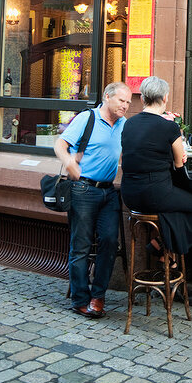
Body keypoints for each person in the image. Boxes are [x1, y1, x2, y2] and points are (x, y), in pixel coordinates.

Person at [54, 81, 130, 319]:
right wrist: (68, 163)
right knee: (81, 246)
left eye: (128, 102)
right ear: (107, 97)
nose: (125, 106)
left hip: (108, 192)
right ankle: (80, 299)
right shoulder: (87, 119)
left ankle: (98, 296)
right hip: (83, 189)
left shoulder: (124, 124)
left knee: (109, 241)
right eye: (121, 100)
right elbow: (60, 144)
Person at [121, 76, 192, 256]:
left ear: (143, 99)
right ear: (165, 98)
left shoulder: (129, 123)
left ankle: (165, 251)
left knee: (174, 206)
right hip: (156, 193)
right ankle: (163, 246)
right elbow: (179, 164)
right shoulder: (169, 127)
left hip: (129, 194)